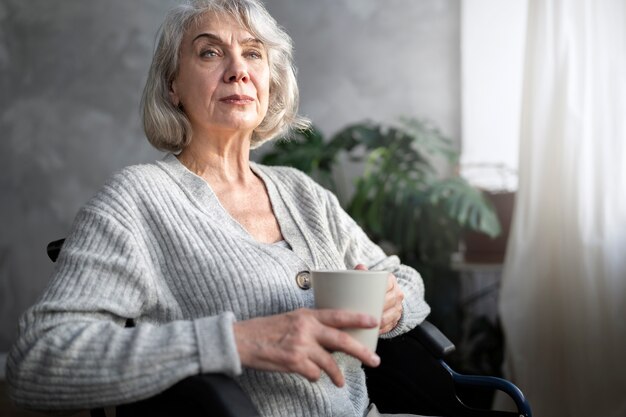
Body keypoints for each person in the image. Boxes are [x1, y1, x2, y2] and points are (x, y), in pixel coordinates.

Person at [6, 0, 430, 416]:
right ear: (173, 85)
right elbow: (38, 359)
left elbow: (403, 279)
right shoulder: (137, 198)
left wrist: (392, 305)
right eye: (210, 52)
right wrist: (237, 341)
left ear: (270, 79)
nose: (238, 70)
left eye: (252, 53)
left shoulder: (303, 193)